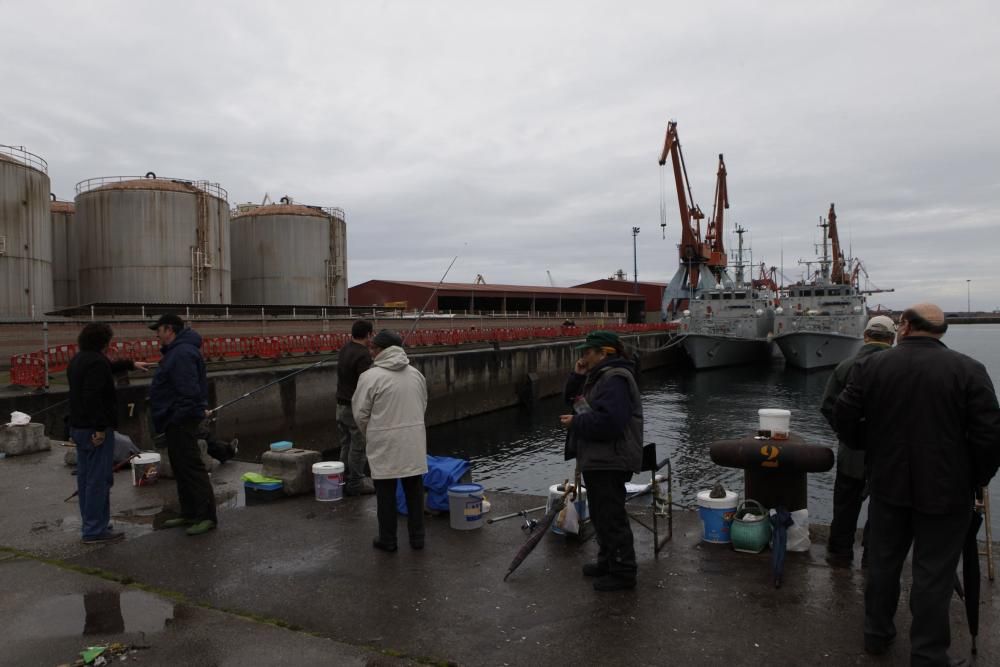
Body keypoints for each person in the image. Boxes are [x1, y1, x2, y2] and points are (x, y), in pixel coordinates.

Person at [834, 303, 1000, 664]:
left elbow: (842, 415)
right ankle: (927, 655)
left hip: (888, 483)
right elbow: (989, 437)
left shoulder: (872, 366)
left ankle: (876, 635)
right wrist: (976, 477)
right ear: (940, 331)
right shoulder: (969, 370)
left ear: (905, 326)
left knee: (882, 563)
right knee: (934, 572)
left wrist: (868, 445)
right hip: (947, 490)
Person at [560, 330, 643, 592]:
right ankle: (607, 561)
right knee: (600, 514)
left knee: (611, 515)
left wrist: (576, 422)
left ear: (604, 352)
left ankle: (623, 572)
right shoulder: (598, 378)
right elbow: (577, 404)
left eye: (587, 352)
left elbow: (610, 423)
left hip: (611, 458)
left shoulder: (615, 379)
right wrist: (577, 376)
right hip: (598, 458)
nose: (583, 357)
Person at [819, 314, 895, 566]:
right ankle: (873, 555)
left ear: (865, 336)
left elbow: (828, 406)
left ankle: (840, 552)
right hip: (890, 454)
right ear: (892, 338)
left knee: (845, 504)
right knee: (883, 507)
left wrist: (845, 434)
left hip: (852, 451)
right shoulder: (901, 367)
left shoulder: (845, 366)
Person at [67, 323, 151, 544]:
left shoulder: (80, 359)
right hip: (94, 430)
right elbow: (93, 396)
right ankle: (95, 530)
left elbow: (105, 368)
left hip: (78, 427)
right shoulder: (96, 363)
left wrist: (131, 364)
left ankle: (93, 523)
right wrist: (100, 428)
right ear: (104, 342)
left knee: (86, 479)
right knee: (99, 480)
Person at [352, 329, 428, 552]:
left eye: (374, 348)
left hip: (384, 442)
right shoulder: (416, 374)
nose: (371, 352)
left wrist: (374, 432)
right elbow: (423, 404)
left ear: (383, 350)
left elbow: (360, 414)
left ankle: (388, 539)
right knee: (414, 491)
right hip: (413, 440)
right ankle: (417, 539)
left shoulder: (370, 377)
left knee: (385, 492)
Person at [148, 314, 217, 537]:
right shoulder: (177, 352)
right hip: (175, 419)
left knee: (191, 468)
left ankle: (206, 516)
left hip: (180, 420)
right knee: (180, 467)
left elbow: (189, 392)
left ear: (169, 329)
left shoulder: (182, 354)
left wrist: (176, 418)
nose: (156, 335)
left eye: (158, 330)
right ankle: (189, 512)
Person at [336, 320, 376, 495]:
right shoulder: (363, 355)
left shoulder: (345, 349)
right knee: (358, 446)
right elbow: (365, 383)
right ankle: (356, 483)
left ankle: (341, 477)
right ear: (368, 334)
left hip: (340, 405)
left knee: (346, 444)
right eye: (371, 334)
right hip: (354, 408)